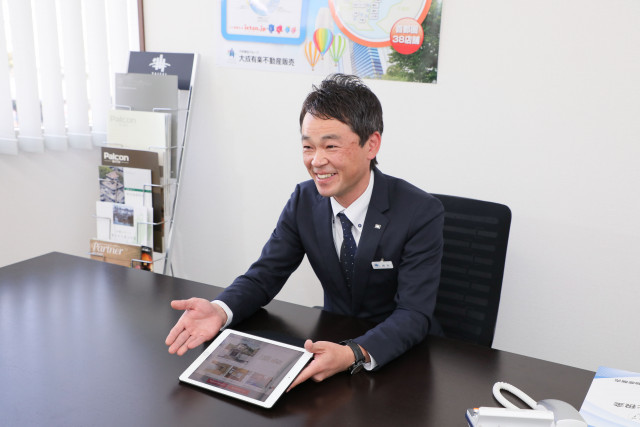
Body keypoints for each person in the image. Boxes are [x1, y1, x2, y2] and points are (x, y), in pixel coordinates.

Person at [165, 74, 444, 390]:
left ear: (371, 144)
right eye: (308, 147)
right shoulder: (304, 200)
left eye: (331, 146)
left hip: (399, 360)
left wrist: (354, 353)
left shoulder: (420, 212)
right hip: (330, 345)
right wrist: (219, 310)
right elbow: (264, 276)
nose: (316, 161)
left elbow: (413, 314)